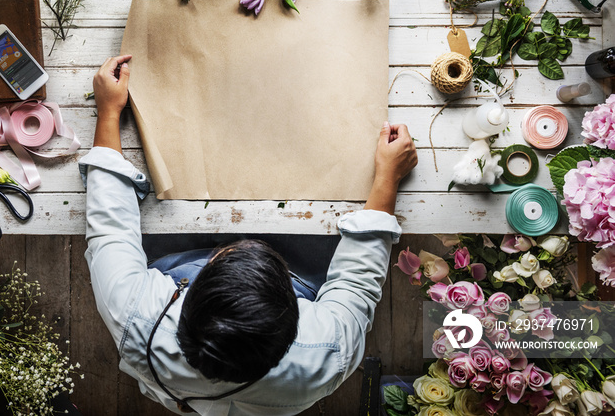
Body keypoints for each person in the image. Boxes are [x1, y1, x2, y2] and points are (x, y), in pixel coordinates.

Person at [80, 55, 418, 415]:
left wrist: (109, 113)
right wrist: (388, 178)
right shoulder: (328, 353)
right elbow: (356, 282)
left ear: (187, 307)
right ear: (296, 324)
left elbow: (110, 228)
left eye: (223, 257)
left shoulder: (137, 317)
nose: (233, 246)